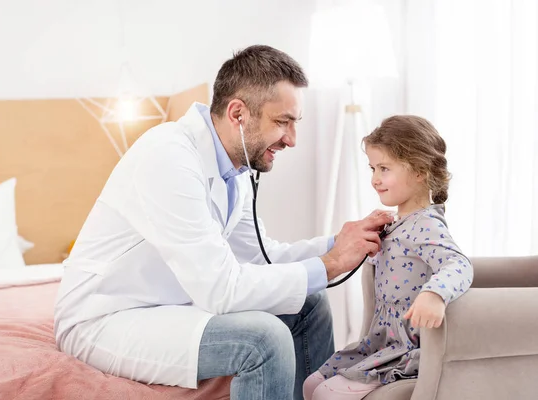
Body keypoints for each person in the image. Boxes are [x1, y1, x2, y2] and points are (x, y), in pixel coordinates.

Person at [53, 44, 392, 400]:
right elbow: (220, 289)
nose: (292, 140)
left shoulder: (235, 167)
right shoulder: (168, 157)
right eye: (282, 122)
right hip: (107, 316)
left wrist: (337, 243)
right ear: (238, 114)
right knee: (263, 339)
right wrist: (331, 263)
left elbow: (261, 256)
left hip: (171, 303)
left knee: (311, 304)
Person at [303, 115, 474, 400]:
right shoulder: (396, 223)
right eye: (372, 168)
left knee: (326, 392)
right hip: (380, 341)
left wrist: (435, 294)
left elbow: (459, 264)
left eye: (384, 168)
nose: (374, 179)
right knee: (311, 384)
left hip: (406, 349)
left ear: (419, 171)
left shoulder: (427, 224)